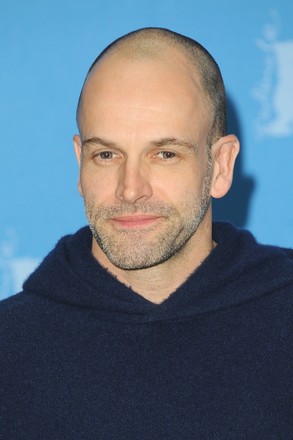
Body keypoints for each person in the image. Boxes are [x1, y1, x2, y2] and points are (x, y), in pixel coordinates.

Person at [0, 27, 292, 439]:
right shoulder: (10, 349)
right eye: (106, 154)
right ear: (79, 163)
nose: (131, 188)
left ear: (221, 166)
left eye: (165, 154)